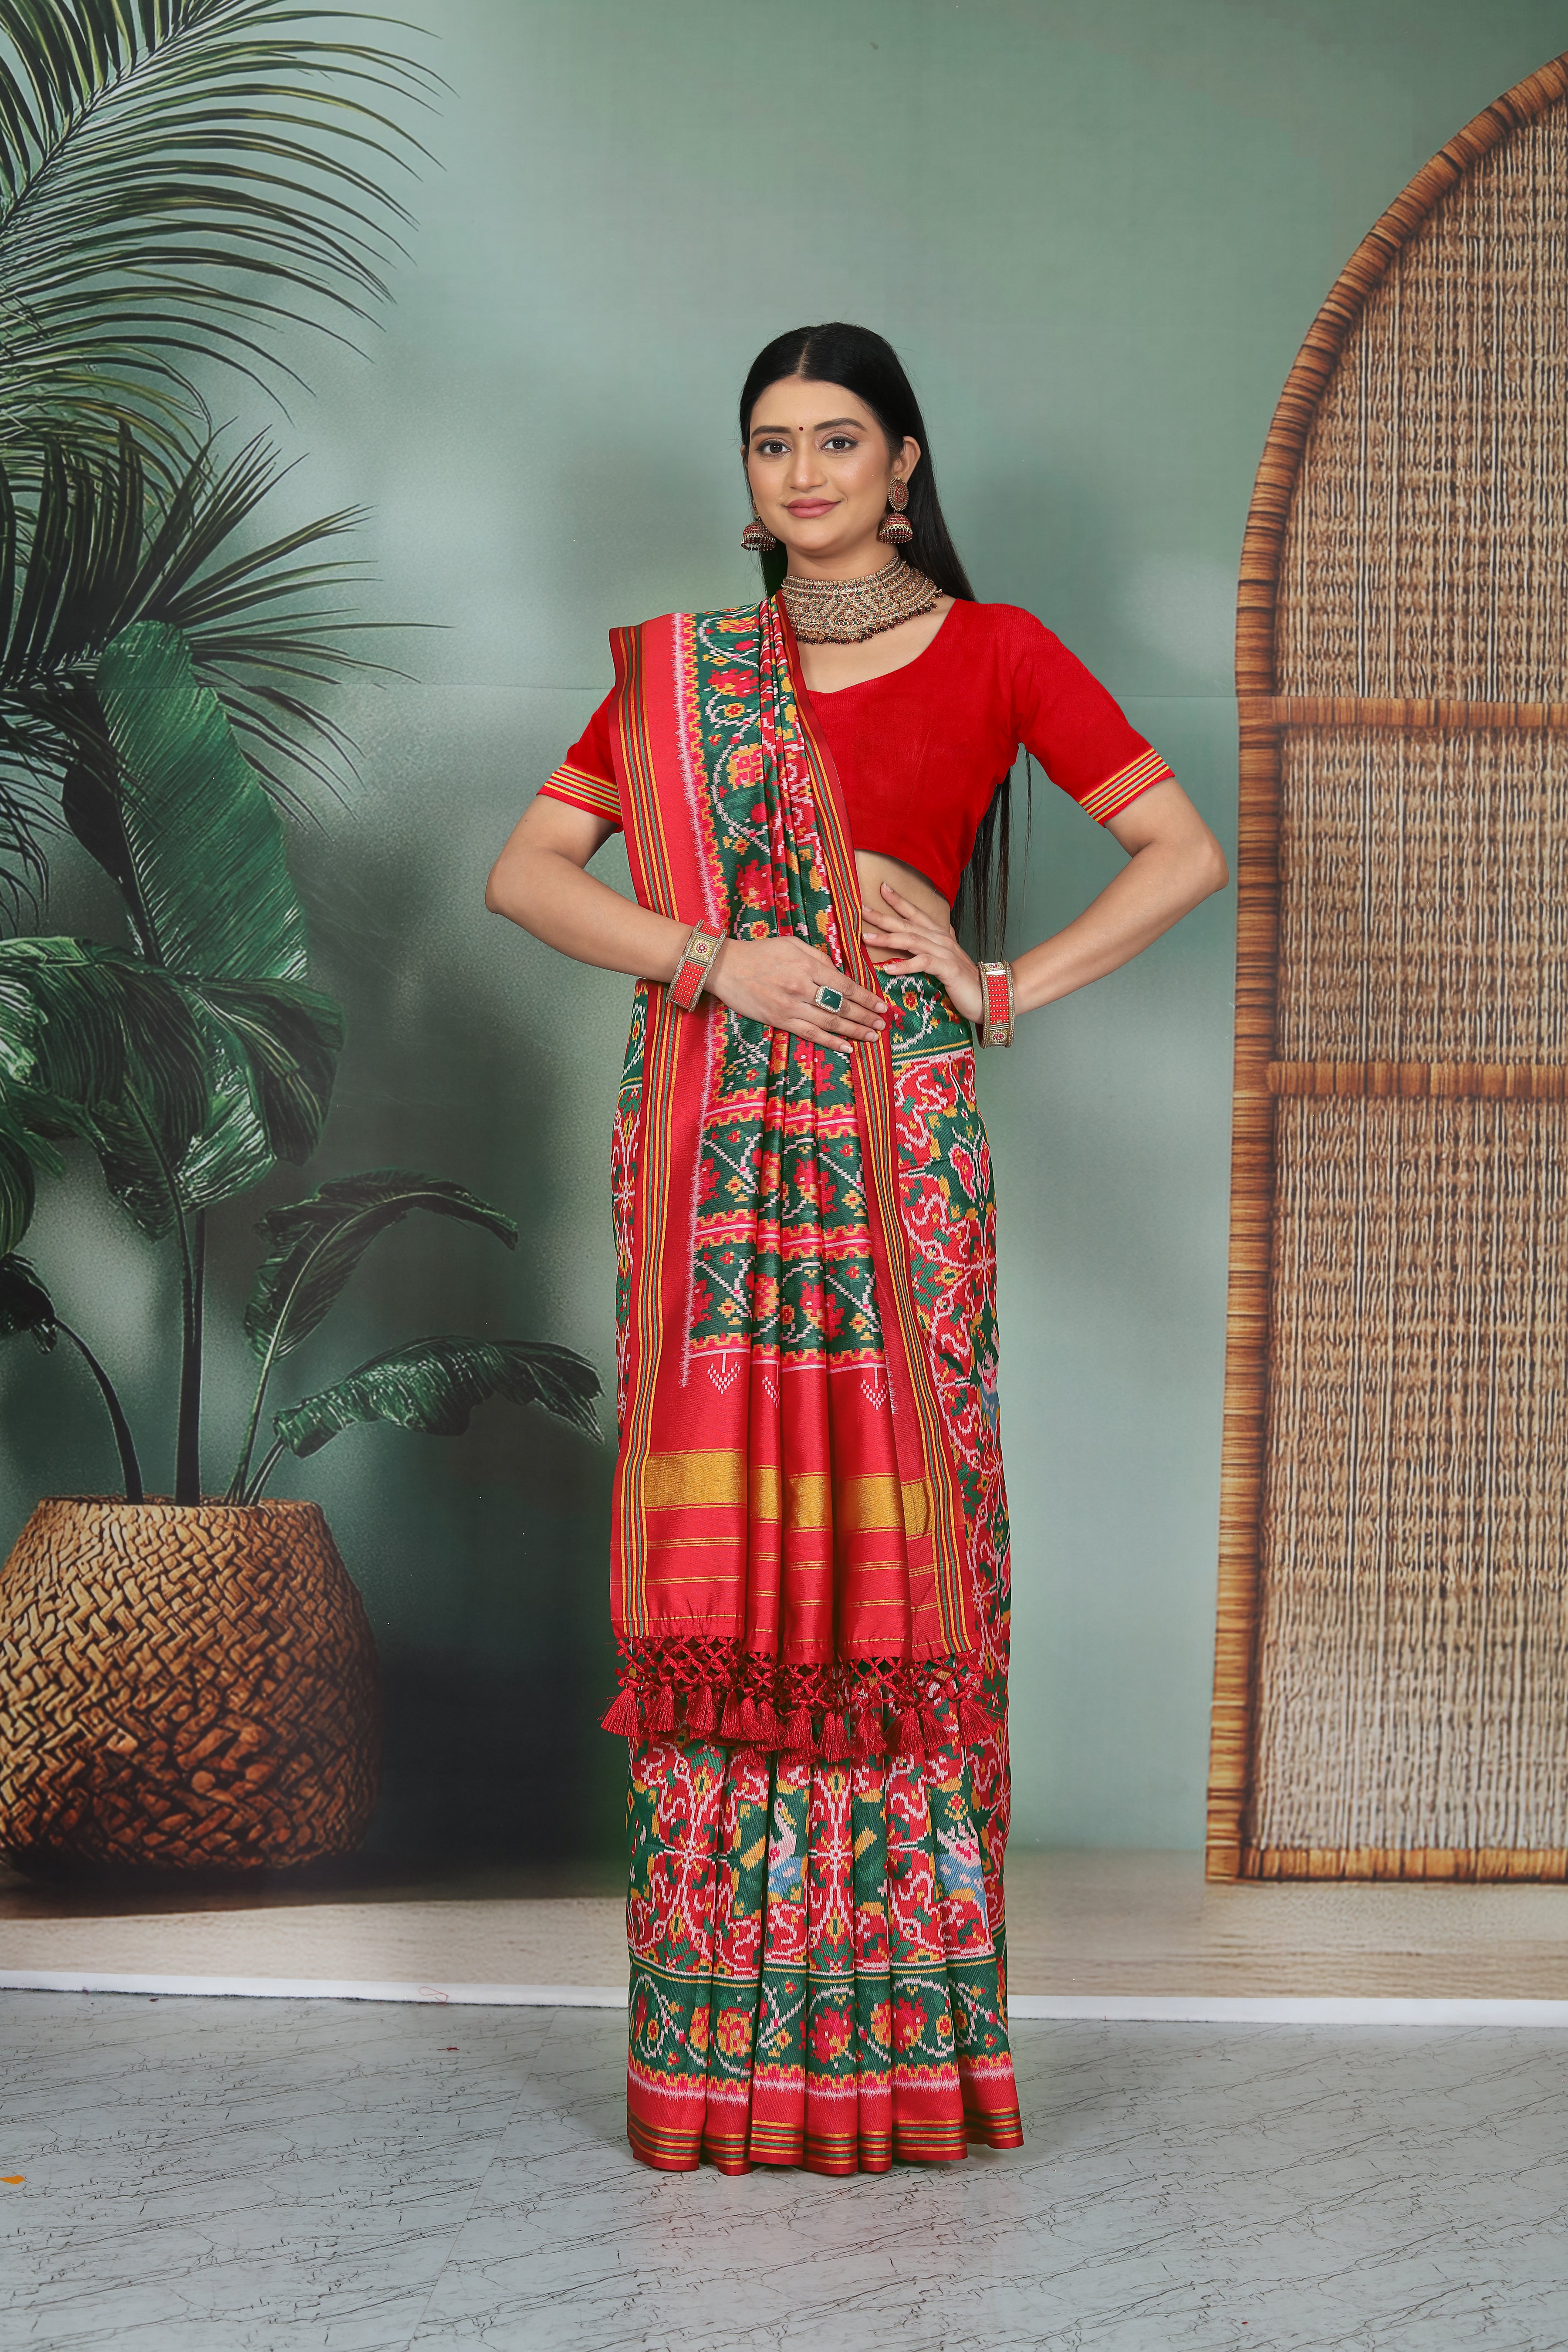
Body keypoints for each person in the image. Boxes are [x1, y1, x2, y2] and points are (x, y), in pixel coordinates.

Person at [486, 321, 1227, 2176]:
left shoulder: (998, 652)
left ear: (905, 466)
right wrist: (710, 958)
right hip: (717, 1151)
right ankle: (723, 2054)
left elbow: (1179, 849)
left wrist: (994, 984)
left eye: (837, 440)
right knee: (732, 1568)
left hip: (901, 1150)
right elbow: (527, 875)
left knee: (911, 1551)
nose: (802, 472)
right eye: (771, 443)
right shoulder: (689, 678)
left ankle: (895, 2045)